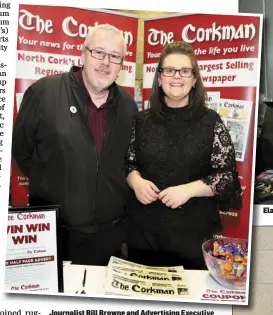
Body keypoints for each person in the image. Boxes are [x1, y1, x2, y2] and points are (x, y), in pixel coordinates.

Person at [12, 24, 138, 266]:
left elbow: (128, 161)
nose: (105, 62)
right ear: (82, 54)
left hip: (108, 235)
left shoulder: (128, 105)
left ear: (122, 64)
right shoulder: (44, 92)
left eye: (114, 56)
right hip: (53, 230)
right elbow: (21, 150)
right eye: (98, 52)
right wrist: (54, 181)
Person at [125, 42, 242, 270]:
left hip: (192, 236)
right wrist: (136, 181)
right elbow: (129, 164)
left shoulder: (211, 122)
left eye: (185, 71)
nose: (176, 76)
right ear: (159, 78)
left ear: (194, 78)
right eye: (169, 70)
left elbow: (227, 177)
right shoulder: (141, 121)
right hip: (144, 234)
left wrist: (188, 190)